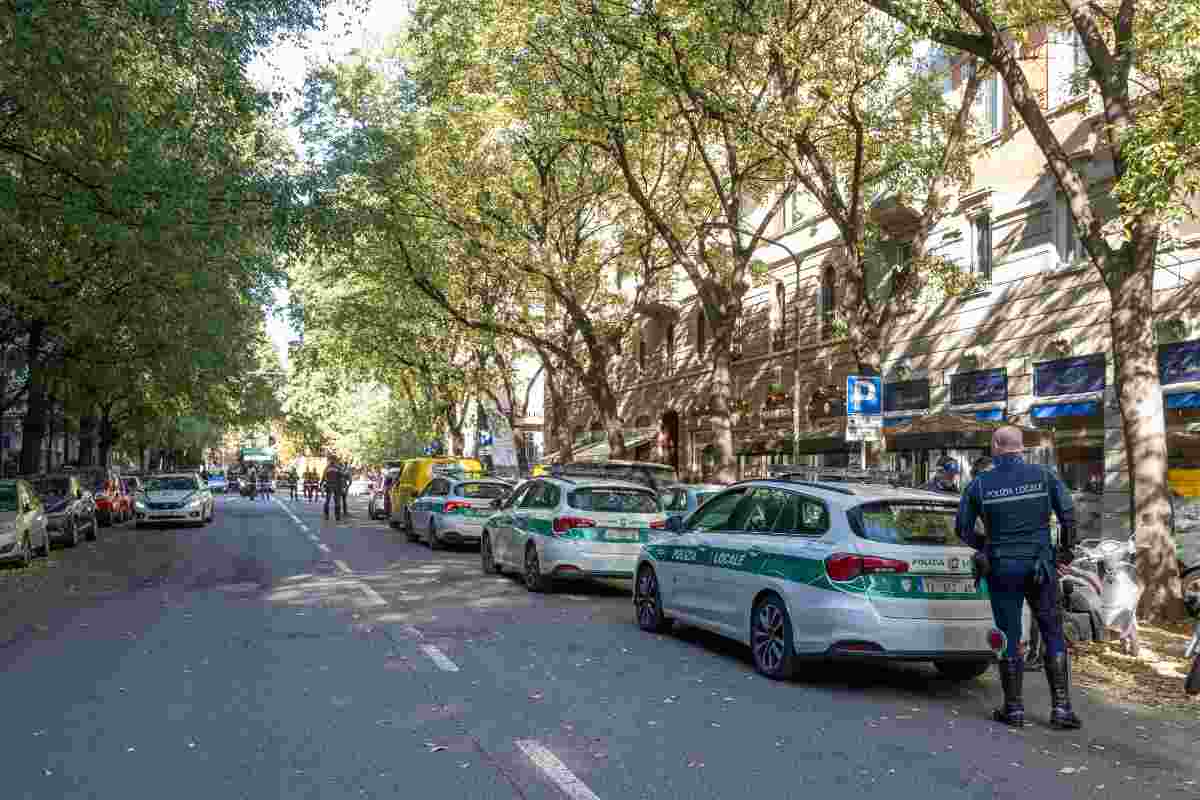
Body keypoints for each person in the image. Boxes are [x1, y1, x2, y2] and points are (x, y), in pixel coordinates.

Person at [956, 425, 1080, 730]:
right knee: (1051, 630)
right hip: (1041, 564)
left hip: (1002, 565)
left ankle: (1014, 709)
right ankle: (1062, 709)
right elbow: (1069, 515)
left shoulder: (980, 485)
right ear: (1021, 448)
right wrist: (1064, 554)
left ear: (997, 446)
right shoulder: (1044, 476)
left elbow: (962, 528)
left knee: (1009, 633)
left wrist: (986, 546)